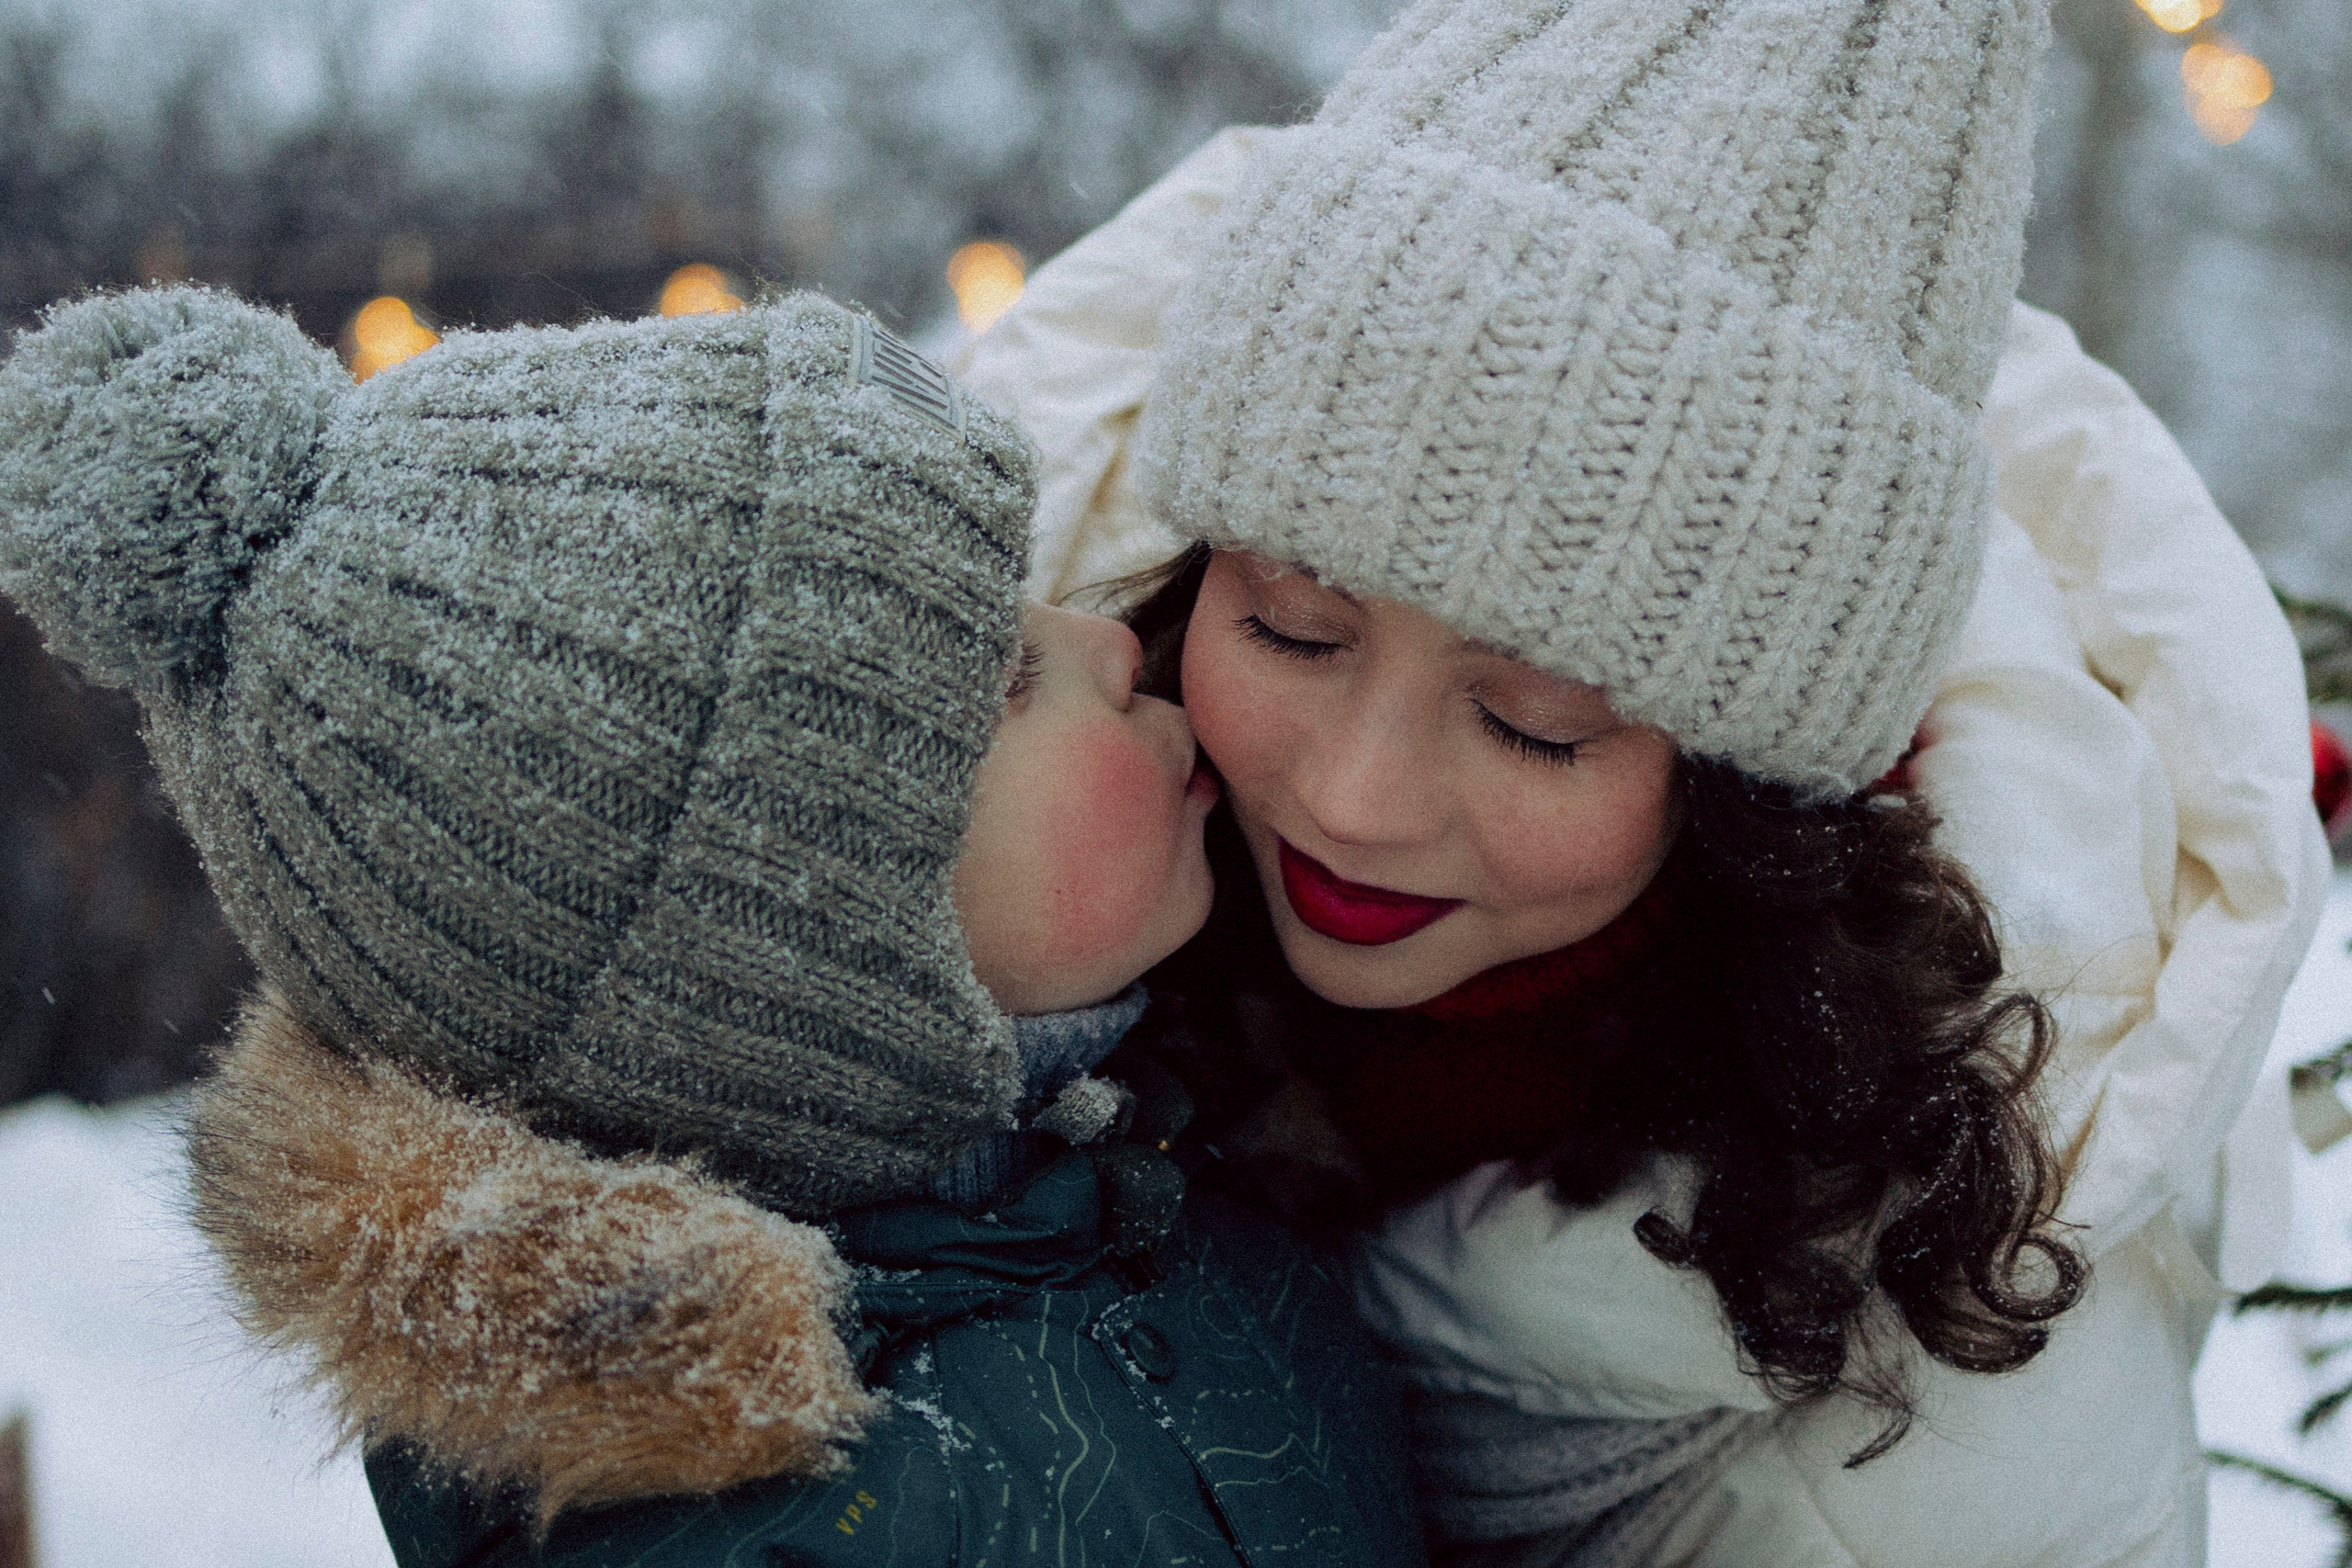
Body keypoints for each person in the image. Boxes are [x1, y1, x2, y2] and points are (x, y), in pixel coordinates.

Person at [949, 0, 2331, 1563]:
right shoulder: (986, 805)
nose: (1352, 798)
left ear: (1763, 799)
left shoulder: (1969, 1429)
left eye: (1538, 723)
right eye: (1291, 625)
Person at [0, 286, 1428, 1567]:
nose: (1114, 644)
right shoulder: (775, 1527)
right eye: (1005, 678)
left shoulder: (1162, 1150)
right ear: (802, 960)